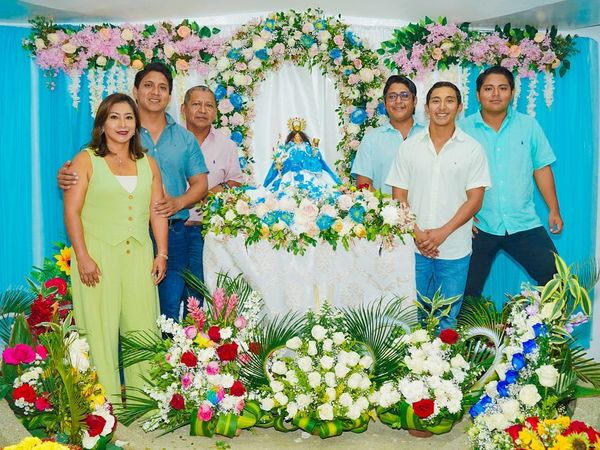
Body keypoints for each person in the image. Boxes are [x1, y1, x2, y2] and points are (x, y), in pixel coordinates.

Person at [58, 62, 208, 321]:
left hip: (170, 233)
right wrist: (66, 176)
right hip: (116, 236)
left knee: (166, 311)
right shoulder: (118, 129)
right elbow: (88, 170)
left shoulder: (184, 138)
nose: (155, 92)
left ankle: (159, 350)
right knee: (112, 309)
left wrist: (178, 203)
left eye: (162, 87)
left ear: (170, 95)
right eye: (148, 85)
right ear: (136, 90)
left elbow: (201, 184)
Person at [63, 93, 167, 401]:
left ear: (136, 125)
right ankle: (103, 405)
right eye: (114, 117)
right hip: (97, 256)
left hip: (139, 256)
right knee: (98, 329)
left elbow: (157, 211)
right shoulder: (85, 160)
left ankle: (143, 401)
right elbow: (72, 212)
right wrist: (82, 257)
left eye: (129, 117)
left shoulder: (148, 163)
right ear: (102, 124)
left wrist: (162, 252)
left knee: (143, 329)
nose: (122, 124)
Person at [386, 82, 491, 330]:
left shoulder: (473, 149)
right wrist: (417, 233)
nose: (442, 107)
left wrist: (442, 233)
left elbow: (475, 199)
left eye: (449, 100)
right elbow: (399, 196)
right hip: (413, 247)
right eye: (436, 100)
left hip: (454, 249)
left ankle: (442, 357)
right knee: (410, 318)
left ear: (460, 107)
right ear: (426, 108)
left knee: (447, 320)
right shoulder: (409, 147)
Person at [460, 66, 563, 298]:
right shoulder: (463, 130)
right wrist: (461, 214)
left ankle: (534, 322)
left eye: (502, 88)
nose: (495, 94)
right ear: (478, 94)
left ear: (512, 92)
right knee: (465, 293)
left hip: (522, 222)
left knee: (556, 281)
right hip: (478, 225)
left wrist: (554, 209)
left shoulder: (529, 126)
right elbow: (450, 175)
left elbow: (541, 168)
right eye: (489, 88)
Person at [181, 85, 244, 229]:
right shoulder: (170, 141)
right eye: (196, 104)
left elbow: (236, 181)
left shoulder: (227, 146)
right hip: (172, 226)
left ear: (215, 112)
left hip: (211, 228)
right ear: (183, 109)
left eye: (209, 106)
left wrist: (221, 188)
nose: (202, 110)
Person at [351, 75, 424, 193]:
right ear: (385, 103)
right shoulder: (371, 139)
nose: (398, 101)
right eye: (392, 96)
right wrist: (387, 204)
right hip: (384, 205)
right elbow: (363, 184)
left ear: (414, 101)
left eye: (404, 95)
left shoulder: (429, 134)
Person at [263, 117, 341, 191]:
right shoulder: (289, 145)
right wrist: (281, 159)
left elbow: (312, 154)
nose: (297, 137)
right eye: (296, 136)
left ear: (301, 137)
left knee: (310, 179)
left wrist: (315, 149)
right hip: (291, 168)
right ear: (293, 137)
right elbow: (283, 155)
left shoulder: (306, 145)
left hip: (305, 168)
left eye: (299, 136)